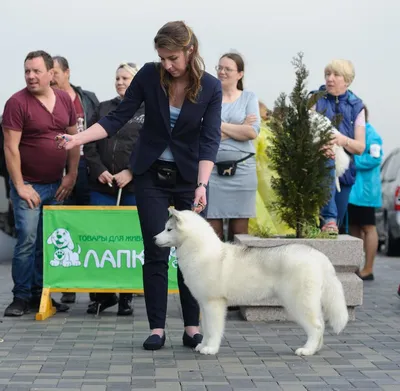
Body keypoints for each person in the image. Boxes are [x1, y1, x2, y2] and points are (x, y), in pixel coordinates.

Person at [55, 21, 222, 350]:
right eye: (162, 58)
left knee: (192, 255)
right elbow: (116, 119)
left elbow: (210, 139)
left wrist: (202, 185)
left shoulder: (211, 88)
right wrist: (77, 138)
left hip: (189, 179)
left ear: (190, 51)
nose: (167, 65)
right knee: (156, 250)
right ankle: (157, 329)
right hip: (149, 176)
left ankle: (191, 327)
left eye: (172, 58)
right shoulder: (148, 75)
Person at [1, 50, 80, 316]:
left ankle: (41, 294)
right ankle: (21, 296)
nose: (31, 76)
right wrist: (20, 186)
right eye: (27, 71)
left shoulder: (64, 100)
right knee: (27, 239)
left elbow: (73, 140)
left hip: (57, 184)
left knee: (47, 243)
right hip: (29, 186)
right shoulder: (16, 103)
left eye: (36, 71)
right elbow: (10, 148)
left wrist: (71, 175)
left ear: (51, 73)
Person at [84, 62, 145, 315]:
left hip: (132, 187)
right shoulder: (103, 108)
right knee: (101, 240)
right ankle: (102, 295)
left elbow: (150, 146)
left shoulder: (148, 110)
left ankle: (126, 296)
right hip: (102, 187)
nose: (120, 82)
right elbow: (89, 142)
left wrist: (130, 172)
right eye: (117, 78)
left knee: (127, 242)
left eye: (126, 78)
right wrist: (99, 170)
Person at [51, 55, 100, 304]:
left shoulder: (88, 97)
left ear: (67, 72)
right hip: (61, 166)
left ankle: (96, 288)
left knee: (89, 224)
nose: (50, 77)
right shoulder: (46, 100)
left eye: (55, 72)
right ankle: (67, 285)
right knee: (65, 226)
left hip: (87, 166)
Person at [207, 53, 260, 243]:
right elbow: (204, 132)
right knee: (212, 234)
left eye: (227, 69)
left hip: (242, 171)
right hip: (211, 171)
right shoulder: (208, 97)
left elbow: (252, 132)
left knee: (239, 234)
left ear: (240, 74)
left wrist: (218, 125)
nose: (222, 72)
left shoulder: (249, 97)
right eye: (219, 68)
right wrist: (240, 128)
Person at [312, 59, 366, 235]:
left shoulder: (357, 106)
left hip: (344, 174)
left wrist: (341, 140)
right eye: (327, 74)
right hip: (316, 170)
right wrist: (320, 145)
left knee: (335, 228)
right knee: (322, 224)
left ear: (348, 80)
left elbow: (360, 147)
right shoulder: (314, 98)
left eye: (336, 75)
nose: (330, 78)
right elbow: (305, 132)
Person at [348, 106, 383, 280]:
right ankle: (355, 266)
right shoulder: (351, 132)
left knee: (368, 228)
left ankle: (368, 268)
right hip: (352, 191)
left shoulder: (372, 135)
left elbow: (375, 158)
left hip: (366, 192)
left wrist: (352, 158)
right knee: (353, 227)